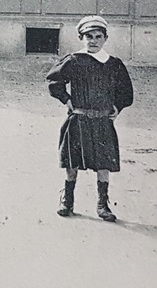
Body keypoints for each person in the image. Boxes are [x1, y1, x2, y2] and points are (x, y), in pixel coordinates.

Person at [45, 16, 134, 222]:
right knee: (72, 163)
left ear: (105, 38)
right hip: (79, 119)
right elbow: (53, 80)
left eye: (98, 36)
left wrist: (117, 107)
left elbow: (126, 91)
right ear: (80, 38)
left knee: (103, 164)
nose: (93, 41)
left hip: (102, 121)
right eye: (88, 37)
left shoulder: (113, 64)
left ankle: (103, 204)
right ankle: (67, 200)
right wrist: (66, 99)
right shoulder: (74, 60)